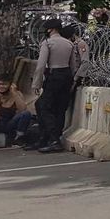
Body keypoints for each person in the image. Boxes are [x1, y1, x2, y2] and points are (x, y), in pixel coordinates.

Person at [28, 18, 79, 153]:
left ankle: (52, 139)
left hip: (54, 75)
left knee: (43, 106)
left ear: (51, 29)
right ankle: (49, 138)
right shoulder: (69, 43)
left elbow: (41, 65)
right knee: (60, 109)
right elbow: (73, 66)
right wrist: (72, 81)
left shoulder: (48, 43)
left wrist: (36, 83)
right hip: (66, 76)